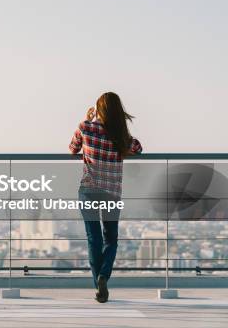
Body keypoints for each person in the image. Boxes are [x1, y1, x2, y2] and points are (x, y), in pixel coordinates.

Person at [69, 92, 142, 303]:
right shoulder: (120, 135)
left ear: (98, 110)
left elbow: (72, 148)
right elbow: (138, 148)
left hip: (89, 190)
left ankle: (98, 286)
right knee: (110, 238)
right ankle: (104, 276)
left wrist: (88, 120)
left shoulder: (86, 127)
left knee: (94, 239)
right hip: (111, 192)